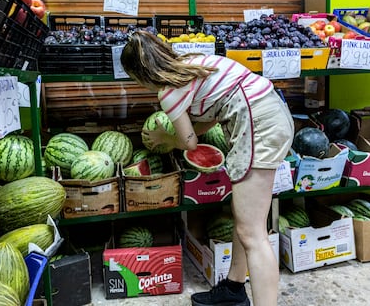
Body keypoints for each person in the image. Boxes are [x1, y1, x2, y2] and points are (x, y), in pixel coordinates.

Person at [120, 30, 294, 306]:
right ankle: (234, 290)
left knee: (254, 234)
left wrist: (164, 138)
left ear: (140, 76)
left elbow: (189, 143)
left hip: (256, 123)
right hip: (271, 112)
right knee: (245, 219)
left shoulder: (169, 91)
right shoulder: (193, 62)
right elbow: (211, 116)